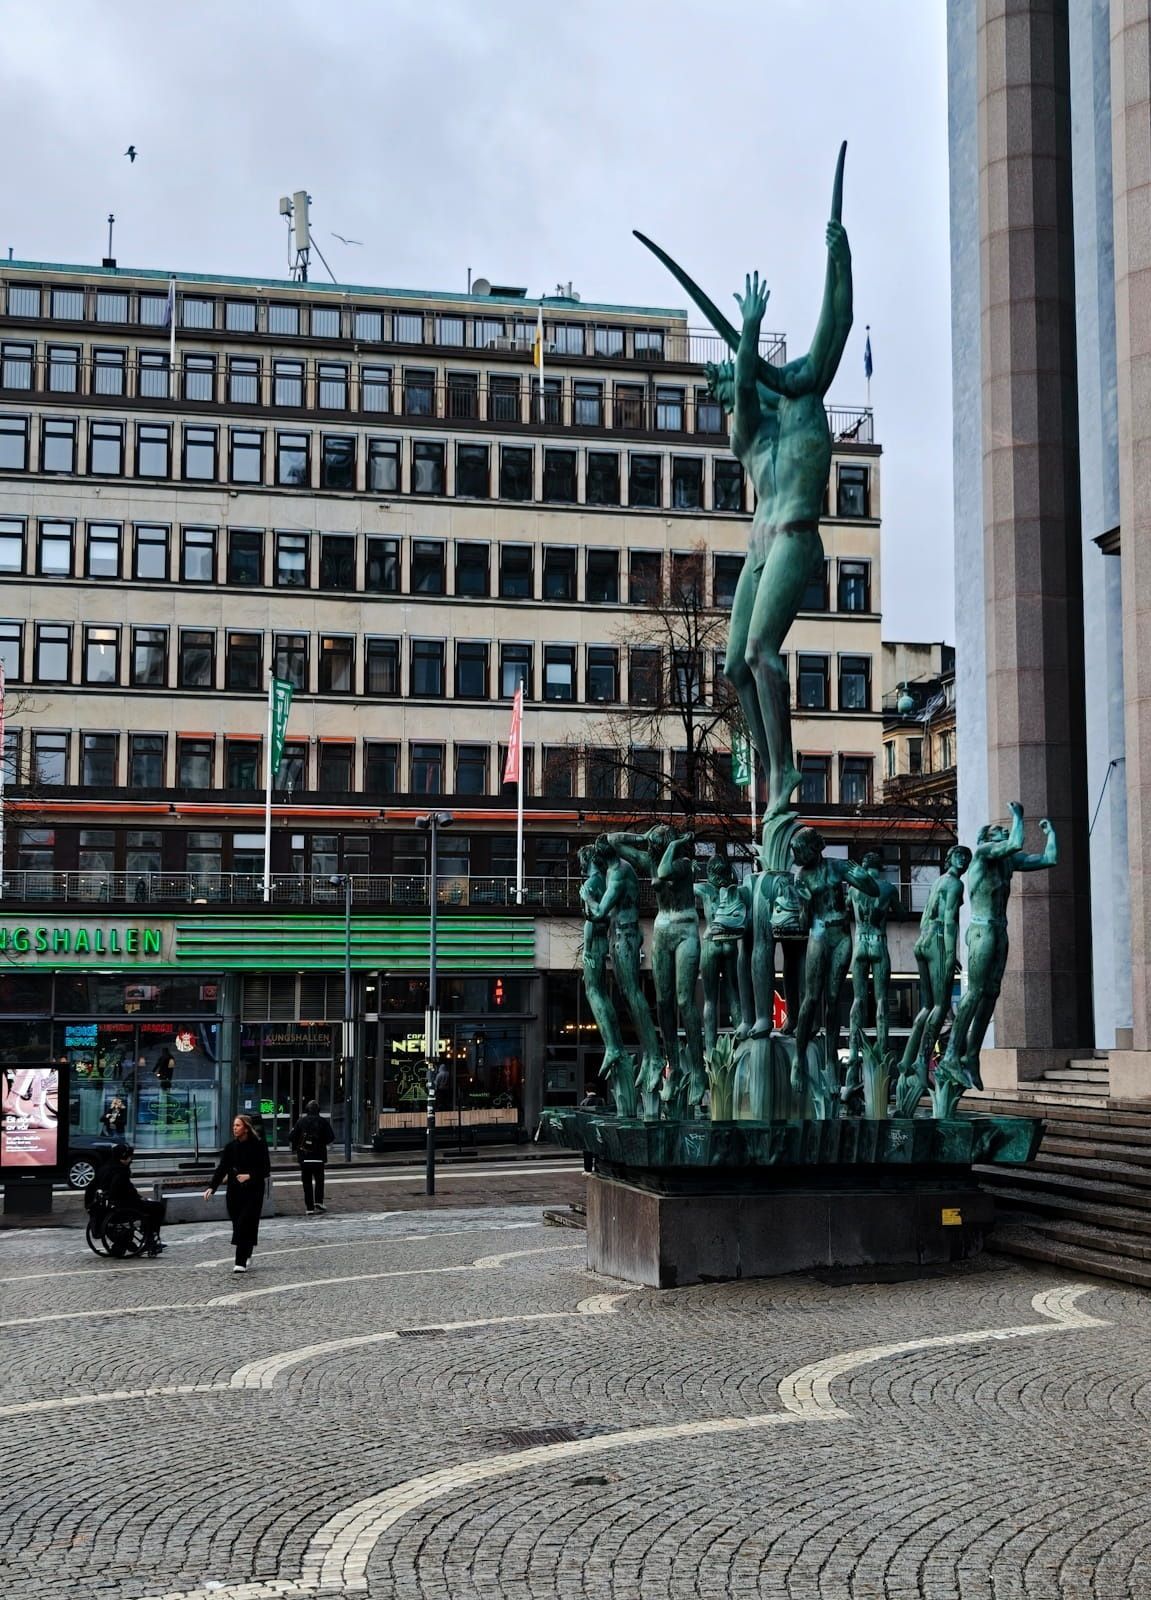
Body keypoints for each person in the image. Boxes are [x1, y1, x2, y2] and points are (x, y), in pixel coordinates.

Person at [635, 144, 852, 815]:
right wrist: (748, 335)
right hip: (758, 546)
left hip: (792, 534)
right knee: (732, 666)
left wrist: (837, 257)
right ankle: (769, 765)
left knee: (760, 651)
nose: (731, 396)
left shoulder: (809, 401)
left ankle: (785, 774)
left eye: (733, 382)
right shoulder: (749, 434)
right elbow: (747, 407)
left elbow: (834, 323)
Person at [203, 1113, 271, 1272]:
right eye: (234, 1125)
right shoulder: (230, 1147)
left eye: (238, 1125)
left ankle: (239, 1262)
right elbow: (222, 1169)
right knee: (238, 1224)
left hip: (253, 1191)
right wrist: (211, 1187)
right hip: (234, 1192)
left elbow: (266, 1169)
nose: (235, 1128)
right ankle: (247, 1252)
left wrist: (250, 1176)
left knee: (245, 1223)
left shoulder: (258, 1145)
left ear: (246, 1128)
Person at [90, 1143, 165, 1256]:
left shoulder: (105, 1168)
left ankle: (145, 1239)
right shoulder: (120, 1172)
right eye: (129, 1157)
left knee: (150, 1207)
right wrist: (140, 1199)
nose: (131, 1160)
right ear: (123, 1157)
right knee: (157, 1208)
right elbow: (124, 1191)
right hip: (123, 1206)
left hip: (106, 1207)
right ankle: (150, 1238)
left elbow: (93, 1187)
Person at [288, 1099, 335, 1215]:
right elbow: (331, 1137)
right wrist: (320, 1142)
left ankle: (309, 1207)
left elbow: (291, 1137)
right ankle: (318, 1201)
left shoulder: (301, 1122)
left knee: (307, 1182)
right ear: (318, 1110)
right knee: (319, 1180)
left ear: (306, 1110)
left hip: (304, 1156)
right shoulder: (323, 1122)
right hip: (319, 1157)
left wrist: (299, 1143)